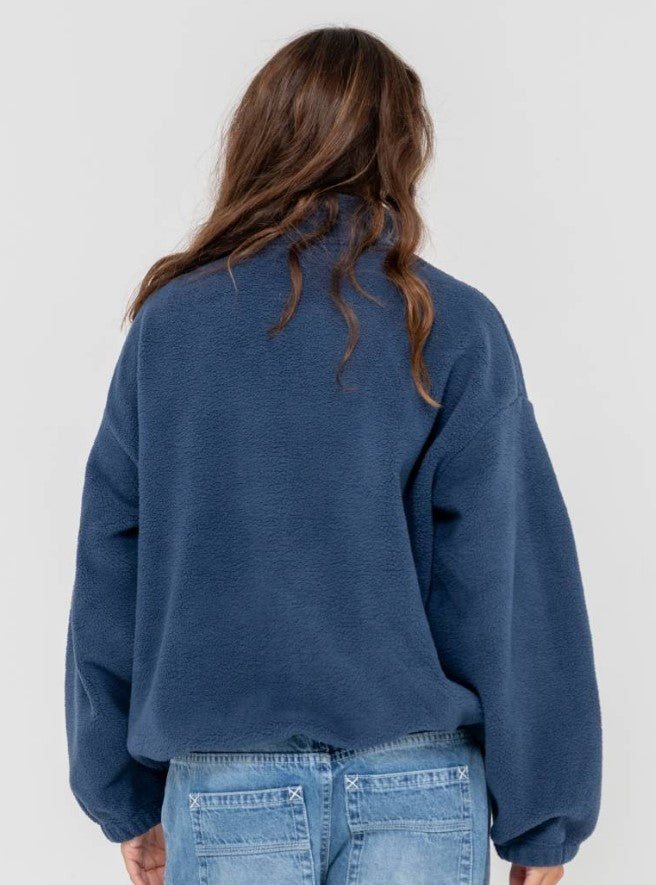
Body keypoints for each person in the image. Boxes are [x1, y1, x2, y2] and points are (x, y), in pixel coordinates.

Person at [65, 26, 601, 885]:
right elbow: (506, 578)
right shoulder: (452, 324)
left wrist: (121, 794)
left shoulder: (172, 328)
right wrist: (545, 815)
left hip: (227, 789)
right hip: (420, 784)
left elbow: (110, 559)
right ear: (401, 150)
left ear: (258, 139)